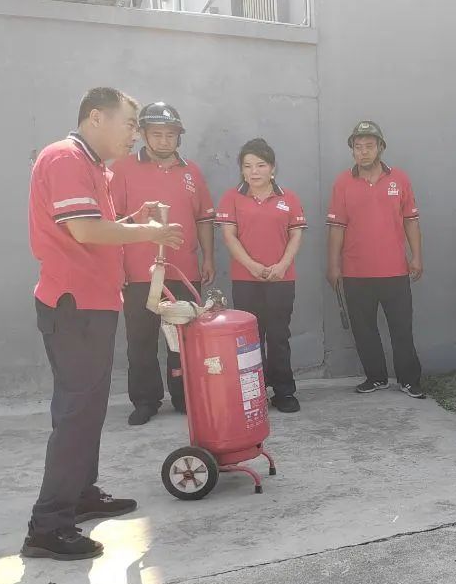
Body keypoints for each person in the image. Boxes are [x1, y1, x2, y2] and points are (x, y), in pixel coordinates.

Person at [23, 87, 183, 560]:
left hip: (92, 303)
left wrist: (133, 218)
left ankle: (80, 494)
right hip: (74, 304)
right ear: (96, 117)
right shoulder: (65, 158)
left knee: (89, 407)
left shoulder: (93, 166)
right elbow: (85, 229)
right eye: (129, 124)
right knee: (77, 411)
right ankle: (48, 526)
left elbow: (95, 225)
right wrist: (149, 231)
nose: (134, 134)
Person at [109, 103, 215, 426]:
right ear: (143, 134)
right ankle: (145, 401)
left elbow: (204, 218)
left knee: (183, 340)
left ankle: (185, 397)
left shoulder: (192, 172)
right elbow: (112, 222)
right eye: (157, 134)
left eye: (170, 135)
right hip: (138, 271)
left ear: (178, 137)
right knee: (140, 340)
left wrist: (208, 257)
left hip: (184, 270)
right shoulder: (122, 169)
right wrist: (116, 266)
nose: (164, 140)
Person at [326, 121, 426, 398]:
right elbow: (336, 227)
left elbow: (411, 221)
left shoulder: (399, 179)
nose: (363, 152)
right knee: (364, 330)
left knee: (401, 329)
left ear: (381, 147)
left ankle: (409, 380)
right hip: (355, 271)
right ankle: (376, 377)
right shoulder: (343, 183)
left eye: (369, 146)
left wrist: (416, 256)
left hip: (395, 270)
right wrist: (333, 265)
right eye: (358, 147)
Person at [216, 138, 307, 413]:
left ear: (272, 168)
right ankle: (253, 393)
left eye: (260, 165)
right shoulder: (231, 198)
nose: (254, 171)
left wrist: (282, 265)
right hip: (246, 280)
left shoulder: (289, 198)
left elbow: (295, 235)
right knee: (250, 339)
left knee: (278, 336)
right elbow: (229, 237)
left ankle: (284, 392)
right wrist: (252, 266)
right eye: (247, 166)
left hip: (282, 279)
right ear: (241, 170)